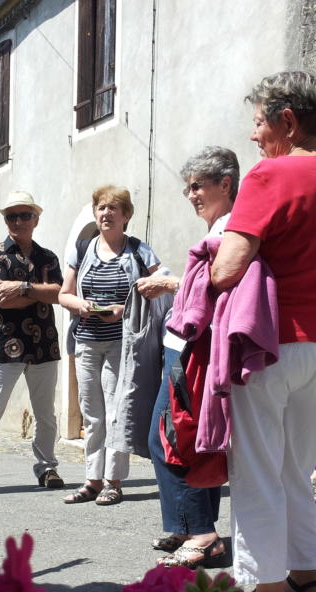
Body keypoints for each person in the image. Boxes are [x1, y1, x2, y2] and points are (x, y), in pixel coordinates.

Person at [211, 71, 316, 592]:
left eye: (258, 123)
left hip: (274, 343)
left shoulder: (271, 174)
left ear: (288, 121)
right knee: (299, 469)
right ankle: (307, 573)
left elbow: (228, 268)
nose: (253, 136)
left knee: (256, 471)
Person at [136, 146, 239, 567]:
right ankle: (191, 526)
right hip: (190, 350)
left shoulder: (231, 229)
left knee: (170, 441)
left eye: (198, 186)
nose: (191, 194)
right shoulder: (222, 227)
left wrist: (170, 283)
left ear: (225, 184)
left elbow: (219, 287)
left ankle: (201, 533)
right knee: (194, 440)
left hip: (198, 352)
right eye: (188, 187)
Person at [58, 186, 159, 506]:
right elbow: (64, 294)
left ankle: (114, 482)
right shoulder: (82, 248)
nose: (106, 213)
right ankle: (91, 480)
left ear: (126, 215)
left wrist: (125, 309)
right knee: (92, 414)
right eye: (101, 207)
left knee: (117, 413)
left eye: (113, 207)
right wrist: (81, 306)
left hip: (122, 344)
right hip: (86, 343)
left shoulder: (139, 251)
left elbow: (164, 283)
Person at [0, 190, 64, 499]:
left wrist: (22, 286)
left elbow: (59, 292)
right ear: (5, 220)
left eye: (24, 215)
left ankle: (47, 467)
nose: (18, 221)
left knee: (45, 414)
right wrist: (39, 290)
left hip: (43, 344)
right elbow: (3, 300)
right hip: (4, 345)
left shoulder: (48, 257)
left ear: (36, 218)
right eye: (11, 216)